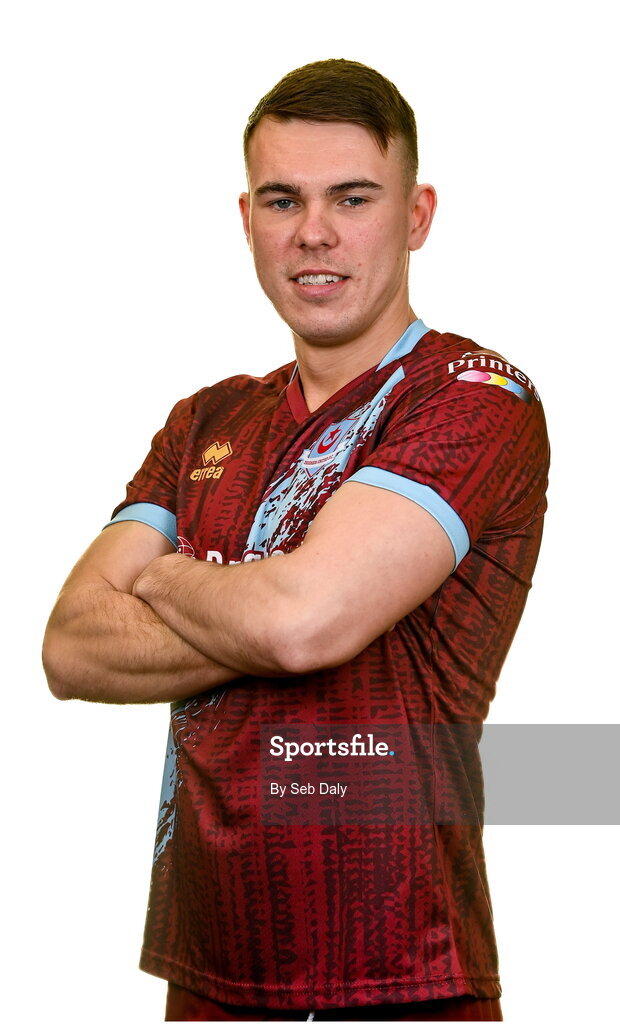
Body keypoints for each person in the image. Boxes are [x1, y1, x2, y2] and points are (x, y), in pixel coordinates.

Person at [43, 58, 549, 1022]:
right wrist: (262, 596)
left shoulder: (475, 395)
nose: (313, 232)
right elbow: (68, 645)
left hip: (407, 970)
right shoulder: (204, 421)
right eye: (283, 199)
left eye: (352, 197)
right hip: (211, 969)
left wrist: (164, 579)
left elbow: (305, 625)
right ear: (247, 220)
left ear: (417, 215)